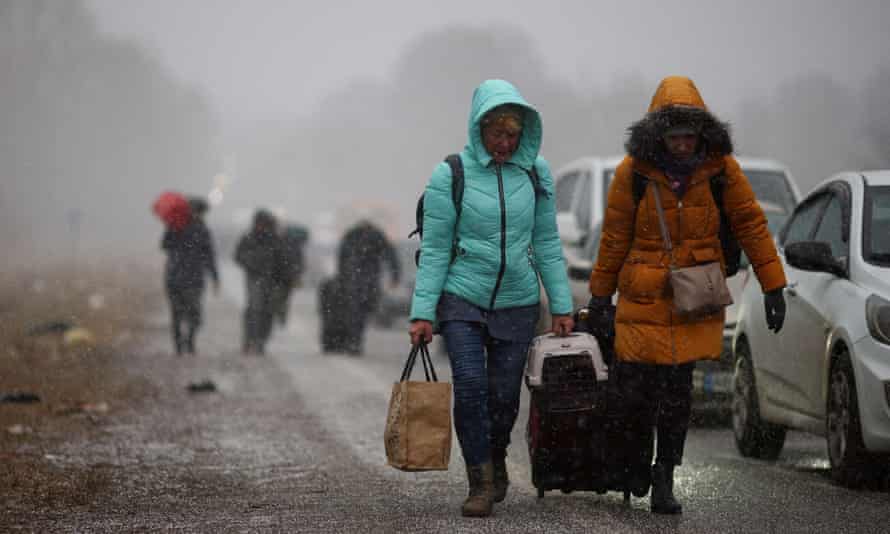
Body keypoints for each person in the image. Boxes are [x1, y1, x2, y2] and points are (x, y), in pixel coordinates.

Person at [586, 76, 787, 514]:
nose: (681, 145)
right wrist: (600, 298)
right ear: (659, 134)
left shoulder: (721, 171)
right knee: (636, 393)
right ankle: (635, 463)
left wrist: (773, 284)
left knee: (677, 396)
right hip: (642, 298)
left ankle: (664, 476)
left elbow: (751, 223)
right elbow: (615, 237)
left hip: (692, 298)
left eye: (689, 136)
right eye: (674, 136)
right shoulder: (632, 174)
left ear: (701, 134)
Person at [408, 80, 574, 518]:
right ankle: (479, 479)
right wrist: (423, 313)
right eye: (496, 133)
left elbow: (547, 242)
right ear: (479, 129)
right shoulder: (451, 174)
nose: (504, 143)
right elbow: (437, 248)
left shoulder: (536, 174)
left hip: (518, 301)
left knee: (503, 397)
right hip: (462, 297)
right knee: (470, 385)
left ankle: (495, 452)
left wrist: (561, 305)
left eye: (512, 135)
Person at [160, 198, 219, 355]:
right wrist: (214, 277)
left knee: (187, 314)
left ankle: (186, 342)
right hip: (184, 278)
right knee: (183, 314)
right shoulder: (179, 226)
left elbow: (209, 255)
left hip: (182, 277)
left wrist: (215, 276)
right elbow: (165, 245)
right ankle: (181, 344)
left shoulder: (198, 229)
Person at [335, 219, 401, 354]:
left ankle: (353, 341)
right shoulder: (375, 235)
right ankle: (354, 341)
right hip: (366, 278)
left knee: (355, 311)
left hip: (355, 277)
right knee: (360, 311)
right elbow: (390, 255)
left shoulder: (352, 235)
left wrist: (342, 276)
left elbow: (342, 257)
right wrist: (395, 275)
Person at [234, 209, 287, 355]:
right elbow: (238, 256)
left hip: (271, 280)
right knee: (255, 310)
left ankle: (259, 341)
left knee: (266, 312)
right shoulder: (250, 238)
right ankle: (251, 340)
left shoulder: (275, 239)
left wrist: (282, 277)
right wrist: (251, 262)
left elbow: (283, 260)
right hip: (255, 278)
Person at [273, 224, 309, 326]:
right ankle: (281, 315)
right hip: (288, 276)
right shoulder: (295, 245)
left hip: (280, 275)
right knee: (284, 297)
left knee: (279, 296)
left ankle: (279, 314)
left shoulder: (280, 242)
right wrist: (297, 275)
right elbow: (300, 262)